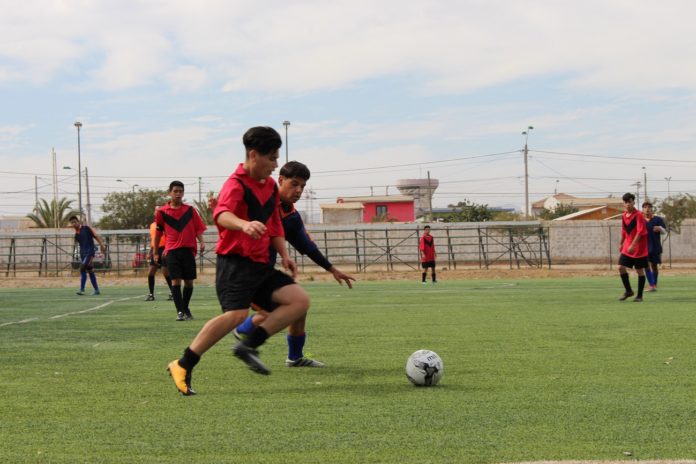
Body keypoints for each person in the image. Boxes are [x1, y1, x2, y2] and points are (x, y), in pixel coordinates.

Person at [167, 126, 310, 396]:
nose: (275, 164)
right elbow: (221, 215)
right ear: (254, 155)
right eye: (271, 158)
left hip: (260, 265)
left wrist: (285, 255)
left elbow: (275, 223)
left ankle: (248, 346)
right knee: (236, 315)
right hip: (234, 263)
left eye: (277, 157)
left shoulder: (268, 185)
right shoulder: (236, 184)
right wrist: (243, 225)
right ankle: (183, 364)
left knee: (299, 301)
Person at [231, 161, 356, 367]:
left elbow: (307, 247)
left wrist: (332, 269)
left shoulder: (292, 217)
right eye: (294, 184)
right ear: (280, 180)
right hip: (243, 272)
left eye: (303, 187)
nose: (298, 191)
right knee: (286, 308)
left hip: (264, 274)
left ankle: (294, 357)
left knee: (298, 306)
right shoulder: (261, 203)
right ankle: (243, 331)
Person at [154, 181, 207, 321]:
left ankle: (185, 308)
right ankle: (180, 312)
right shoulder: (162, 212)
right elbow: (158, 234)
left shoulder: (190, 210)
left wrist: (201, 241)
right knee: (175, 281)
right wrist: (154, 252)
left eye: (180, 191)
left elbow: (197, 228)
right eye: (175, 191)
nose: (178, 194)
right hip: (171, 251)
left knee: (189, 282)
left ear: (183, 193)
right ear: (170, 192)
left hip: (188, 250)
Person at [618, 192, 649, 302]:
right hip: (628, 247)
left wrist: (633, 245)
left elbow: (640, 232)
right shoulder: (623, 216)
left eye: (629, 202)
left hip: (639, 248)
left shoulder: (639, 215)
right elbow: (623, 230)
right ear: (624, 203)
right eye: (625, 202)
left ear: (633, 202)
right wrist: (621, 243)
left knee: (639, 271)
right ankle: (629, 291)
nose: (627, 204)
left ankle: (639, 296)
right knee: (620, 268)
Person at [69, 215, 106, 296]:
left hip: (90, 253)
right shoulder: (76, 235)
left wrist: (102, 245)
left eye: (75, 222)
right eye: (72, 223)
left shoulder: (86, 228)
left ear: (78, 222)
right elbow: (79, 245)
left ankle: (82, 289)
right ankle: (96, 290)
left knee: (82, 268)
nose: (74, 224)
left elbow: (95, 236)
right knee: (90, 271)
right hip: (83, 254)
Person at [146, 208, 173, 301]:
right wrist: (150, 252)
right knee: (150, 272)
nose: (157, 212)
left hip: (164, 249)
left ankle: (173, 293)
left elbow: (169, 237)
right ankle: (151, 294)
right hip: (155, 250)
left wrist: (167, 249)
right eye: (156, 210)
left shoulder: (165, 224)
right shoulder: (152, 225)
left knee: (166, 273)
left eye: (159, 211)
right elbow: (153, 240)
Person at [642, 201, 667, 292]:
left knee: (654, 266)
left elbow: (665, 231)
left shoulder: (658, 219)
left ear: (652, 209)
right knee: (646, 266)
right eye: (645, 207)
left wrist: (660, 228)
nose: (647, 209)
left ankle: (654, 285)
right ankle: (651, 285)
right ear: (643, 209)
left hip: (655, 247)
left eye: (649, 207)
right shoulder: (640, 219)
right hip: (644, 247)